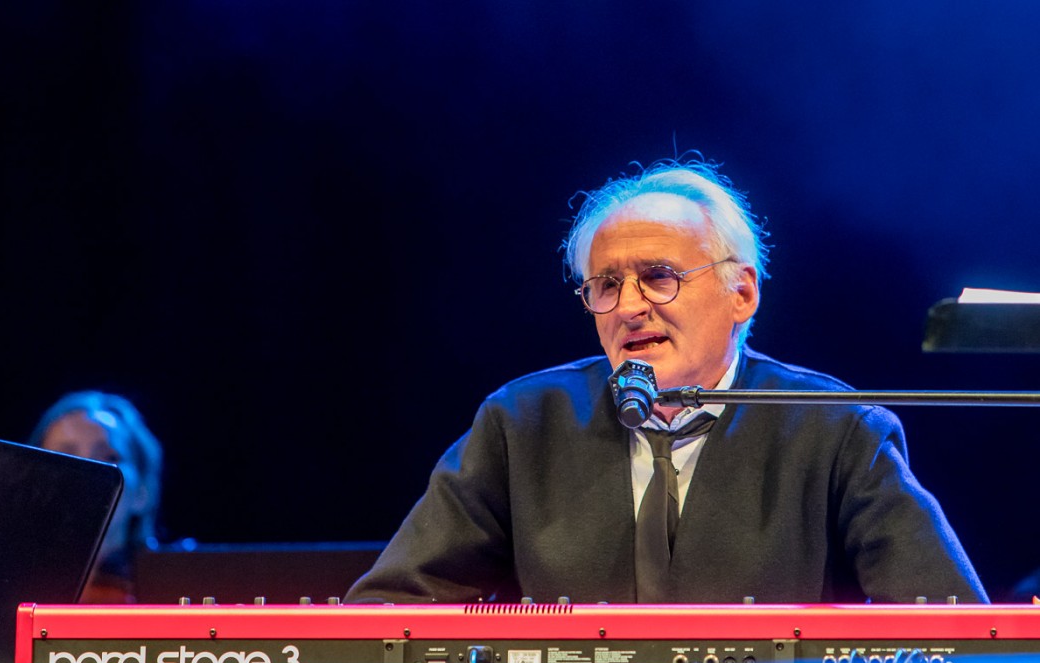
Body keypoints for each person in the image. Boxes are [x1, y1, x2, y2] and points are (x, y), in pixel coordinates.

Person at [344, 155, 988, 605]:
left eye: (659, 277)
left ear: (742, 293)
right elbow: (387, 611)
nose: (629, 306)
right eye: (605, 286)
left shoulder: (836, 429)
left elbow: (952, 629)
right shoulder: (523, 422)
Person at [29, 390, 164, 604]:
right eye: (65, 457)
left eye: (109, 457)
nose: (88, 472)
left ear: (143, 491)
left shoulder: (175, 590)